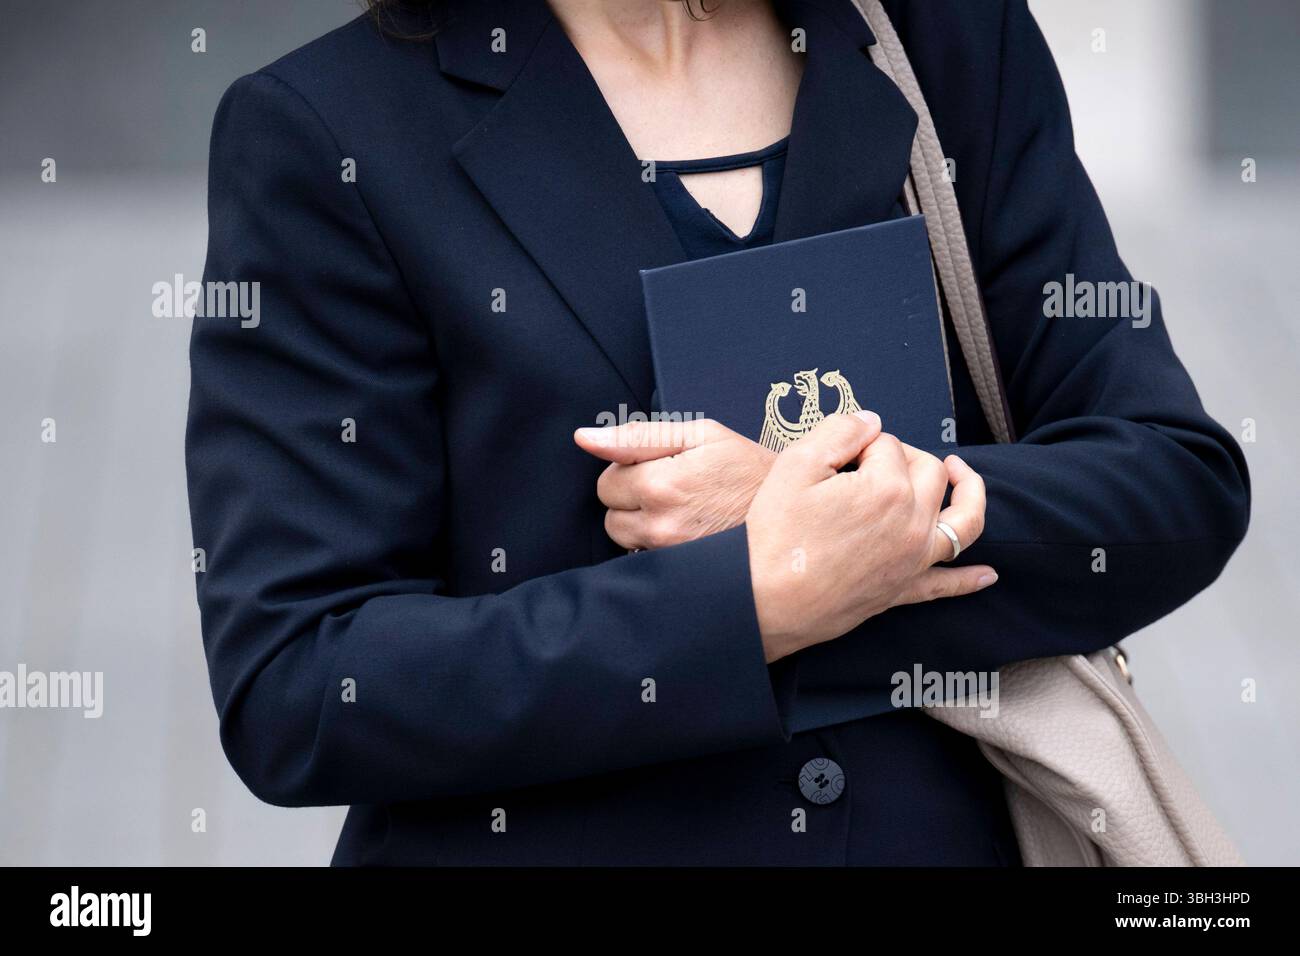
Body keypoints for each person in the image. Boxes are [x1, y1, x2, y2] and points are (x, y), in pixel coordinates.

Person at [185, 0, 1250, 865]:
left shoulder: (943, 43)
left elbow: (1172, 477)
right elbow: (303, 681)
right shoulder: (329, 128)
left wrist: (863, 518)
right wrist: (747, 598)